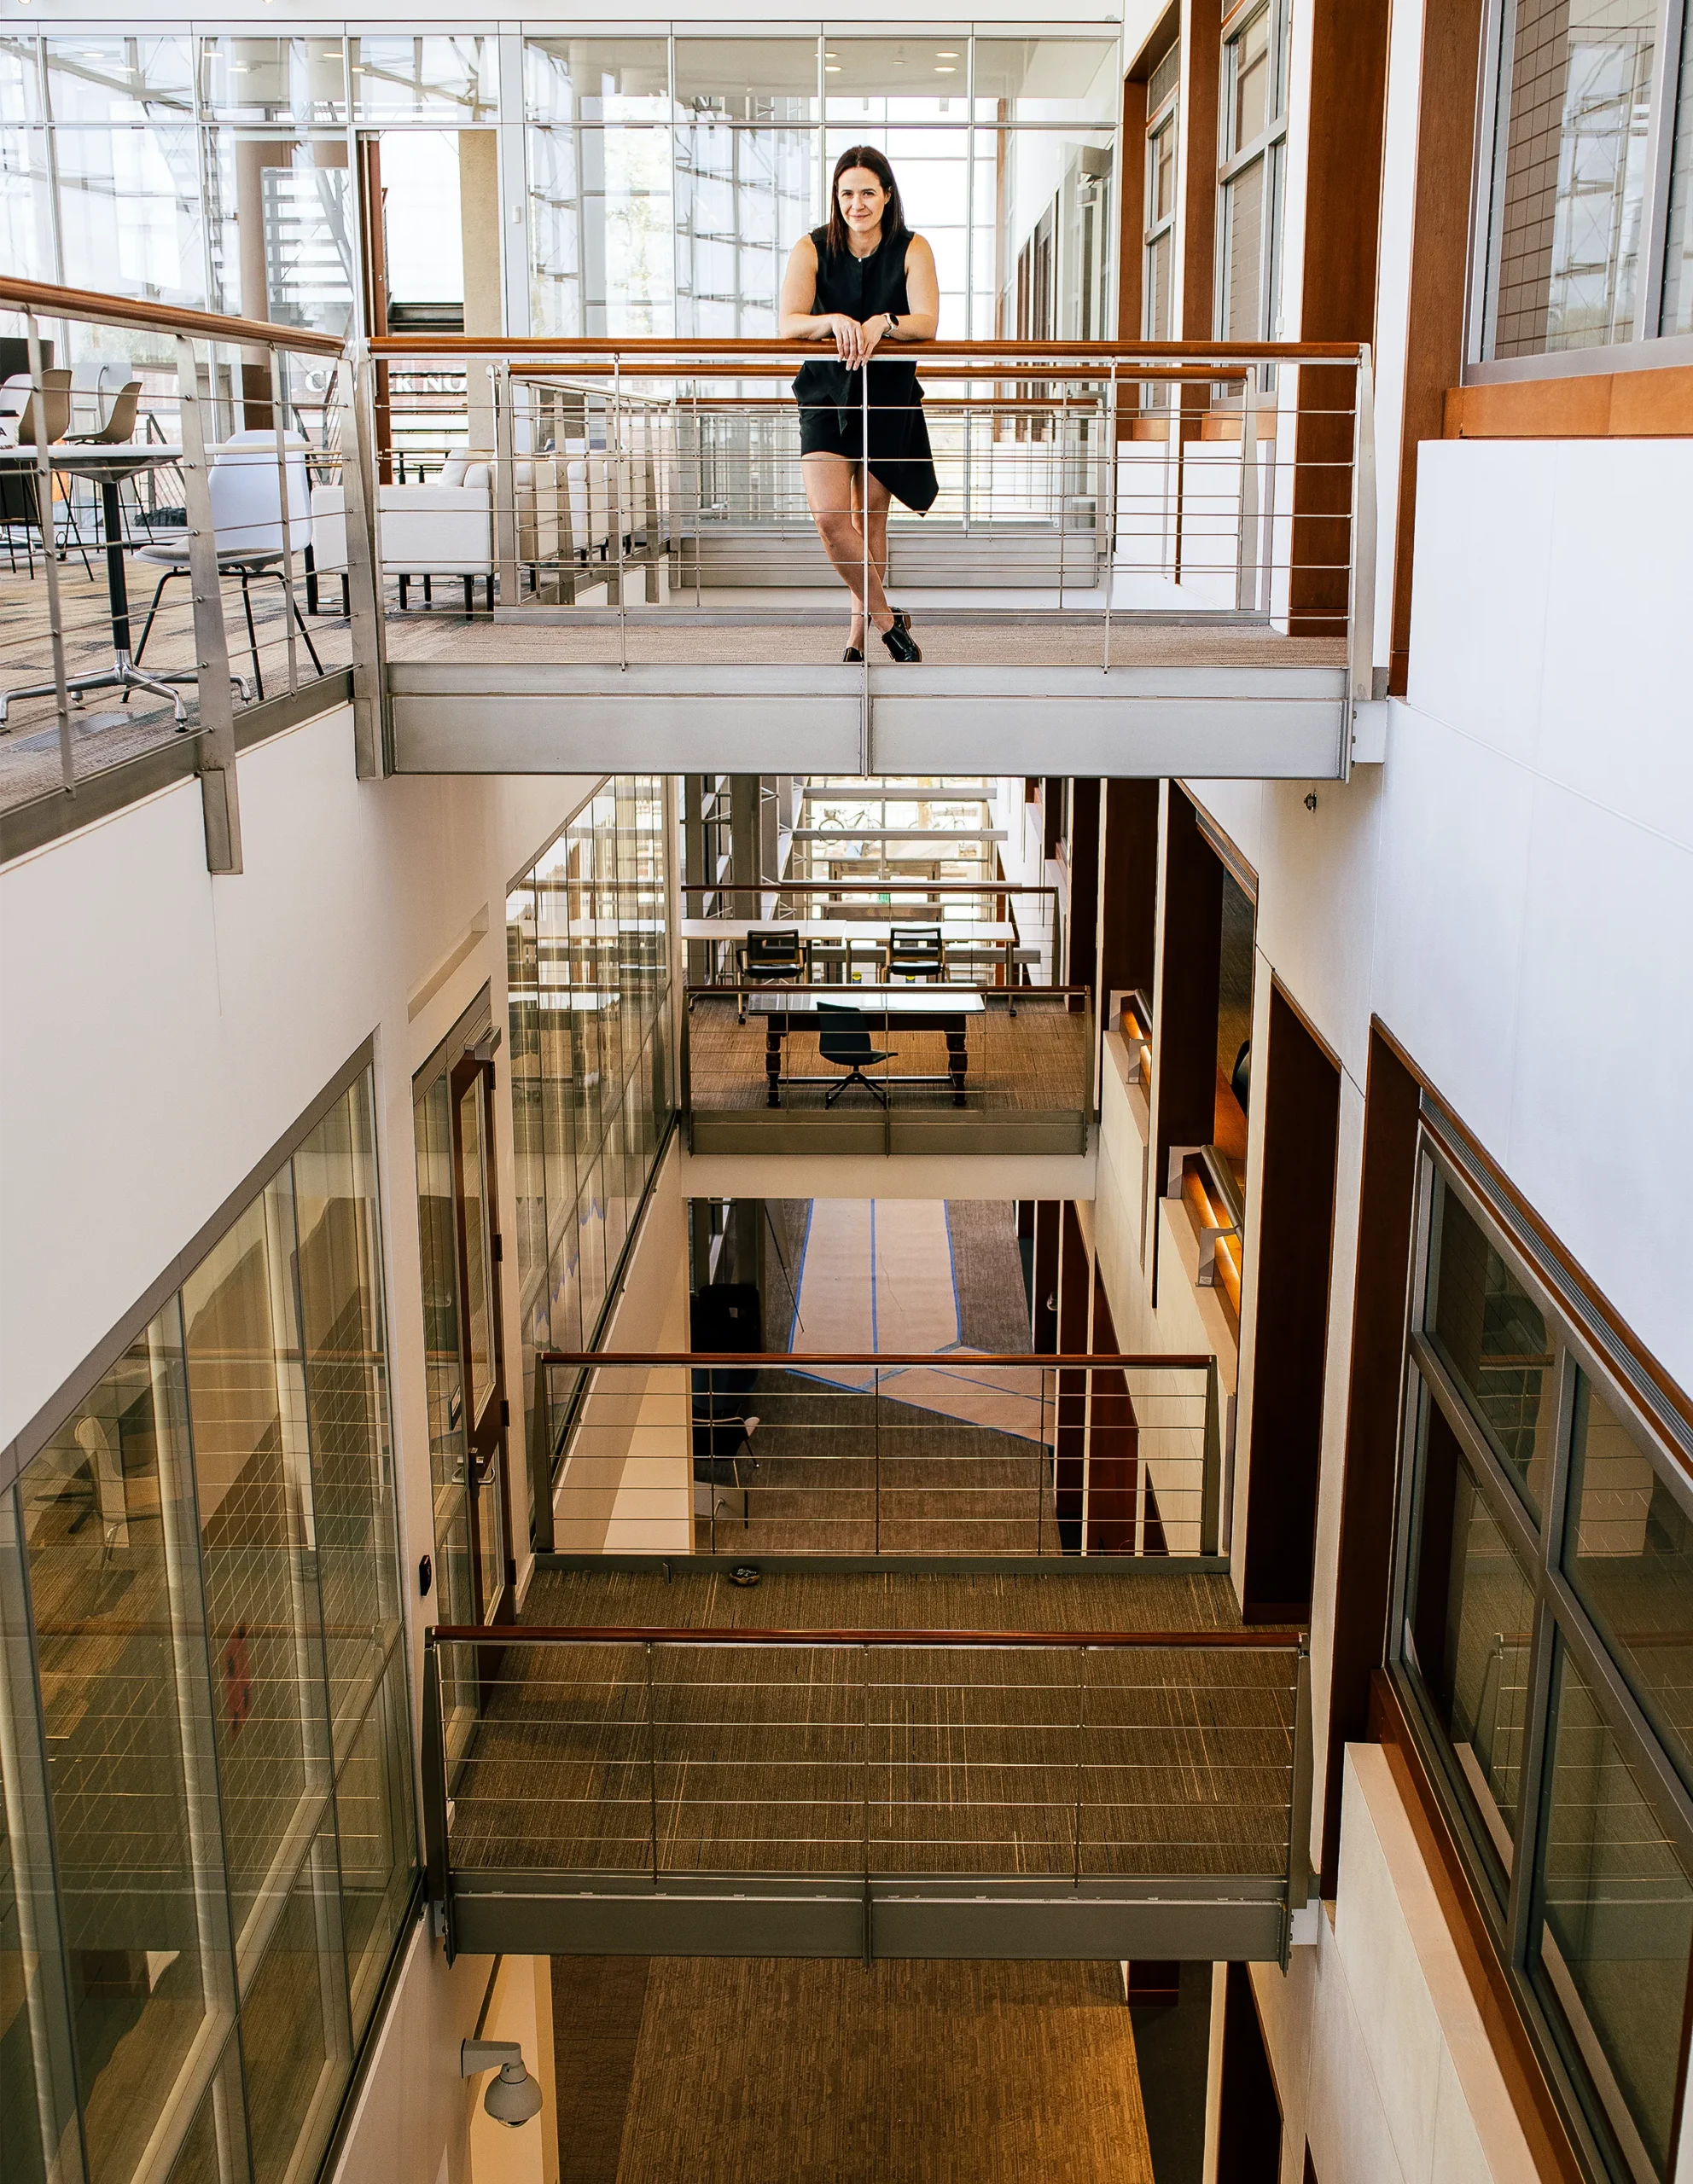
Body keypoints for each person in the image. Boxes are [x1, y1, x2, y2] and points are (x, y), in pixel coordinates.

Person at [779, 145, 938, 663]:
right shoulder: (811, 247)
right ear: (836, 197)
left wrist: (883, 322)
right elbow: (789, 323)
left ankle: (857, 637)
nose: (857, 203)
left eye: (868, 191)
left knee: (869, 519)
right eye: (847, 193)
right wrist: (834, 321)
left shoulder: (914, 248)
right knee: (830, 519)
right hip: (827, 393)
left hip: (888, 397)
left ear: (887, 195)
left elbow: (927, 324)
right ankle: (889, 620)